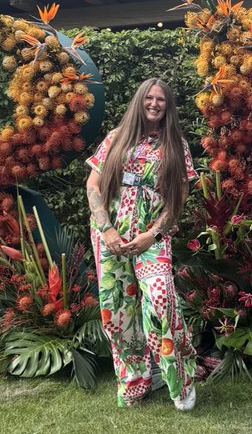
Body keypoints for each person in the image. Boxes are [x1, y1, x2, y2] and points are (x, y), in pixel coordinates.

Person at [85, 78, 198, 409]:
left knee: (162, 299)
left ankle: (179, 378)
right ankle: (134, 380)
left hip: (152, 237)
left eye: (161, 99)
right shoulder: (116, 138)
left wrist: (154, 234)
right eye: (148, 97)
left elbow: (179, 199)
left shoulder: (177, 145)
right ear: (139, 101)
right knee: (117, 311)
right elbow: (93, 184)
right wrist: (107, 230)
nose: (154, 103)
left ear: (168, 106)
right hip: (112, 237)